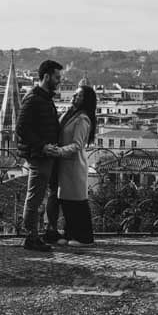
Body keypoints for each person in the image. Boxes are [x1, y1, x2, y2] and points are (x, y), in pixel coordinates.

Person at [15, 60, 64, 252]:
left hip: (45, 154)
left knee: (41, 195)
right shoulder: (34, 98)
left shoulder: (42, 97)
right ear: (46, 77)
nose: (59, 81)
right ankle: (31, 237)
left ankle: (42, 233)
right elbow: (21, 127)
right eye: (57, 77)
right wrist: (42, 147)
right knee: (35, 198)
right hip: (39, 156)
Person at [55, 85, 97, 246]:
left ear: (85, 100)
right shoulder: (72, 114)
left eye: (78, 95)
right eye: (75, 94)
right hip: (66, 165)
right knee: (67, 201)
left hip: (74, 165)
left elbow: (77, 145)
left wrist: (58, 151)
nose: (74, 96)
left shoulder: (82, 119)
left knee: (77, 203)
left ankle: (84, 237)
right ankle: (70, 234)